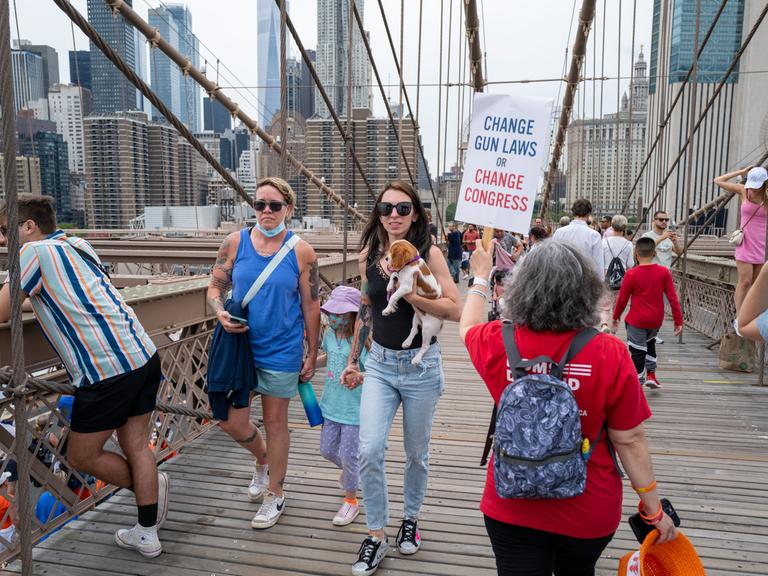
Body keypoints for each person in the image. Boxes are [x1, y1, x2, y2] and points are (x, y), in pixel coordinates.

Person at [459, 239, 677, 576]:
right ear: (588, 292)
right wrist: (653, 510)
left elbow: (467, 327)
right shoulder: (610, 352)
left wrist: (481, 276)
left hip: (510, 507)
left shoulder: (496, 340)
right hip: (587, 508)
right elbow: (630, 440)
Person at [0, 196, 168, 558]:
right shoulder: (77, 244)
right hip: (142, 354)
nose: (2, 241)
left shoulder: (32, 254)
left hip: (105, 370)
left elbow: (1, 310)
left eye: (4, 231)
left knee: (81, 456)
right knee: (137, 445)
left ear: (28, 227)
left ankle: (150, 491)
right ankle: (147, 528)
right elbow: (66, 295)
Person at [341, 180, 460, 576]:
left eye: (403, 208)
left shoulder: (431, 254)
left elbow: (454, 309)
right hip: (379, 364)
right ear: (378, 214)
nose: (394, 215)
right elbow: (367, 309)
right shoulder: (367, 258)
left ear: (416, 214)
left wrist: (410, 296)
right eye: (386, 208)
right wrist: (352, 360)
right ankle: (376, 535)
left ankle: (411, 517)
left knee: (415, 454)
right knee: (370, 450)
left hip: (420, 367)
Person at [206, 176, 320, 530]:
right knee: (228, 419)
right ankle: (262, 459)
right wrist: (219, 311)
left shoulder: (302, 251)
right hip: (239, 347)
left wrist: (312, 353)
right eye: (260, 204)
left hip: (280, 349)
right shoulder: (234, 242)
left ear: (289, 208)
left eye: (274, 205)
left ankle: (275, 493)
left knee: (275, 423)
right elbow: (215, 286)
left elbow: (312, 305)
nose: (266, 211)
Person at [316, 286, 369, 527]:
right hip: (330, 404)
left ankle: (351, 501)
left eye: (341, 314)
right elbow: (330, 357)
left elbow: (373, 371)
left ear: (352, 316)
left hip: (354, 409)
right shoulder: (328, 335)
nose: (334, 318)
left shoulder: (361, 343)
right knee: (327, 450)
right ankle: (352, 473)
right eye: (332, 313)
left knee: (349, 455)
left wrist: (359, 376)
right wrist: (310, 364)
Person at [612, 238, 683, 389]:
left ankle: (638, 381)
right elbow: (672, 298)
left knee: (637, 350)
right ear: (654, 253)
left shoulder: (631, 274)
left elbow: (622, 299)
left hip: (636, 319)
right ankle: (651, 374)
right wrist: (678, 321)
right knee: (650, 343)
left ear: (636, 253)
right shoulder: (664, 272)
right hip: (655, 320)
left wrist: (616, 317)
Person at [713, 166, 768, 315]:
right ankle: (739, 316)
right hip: (744, 243)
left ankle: (750, 313)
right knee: (745, 282)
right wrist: (741, 171)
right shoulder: (744, 190)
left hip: (761, 245)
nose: (754, 188)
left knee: (755, 284)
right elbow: (718, 180)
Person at [553, 199, 604, 273]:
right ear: (589, 213)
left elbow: (553, 259)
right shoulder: (594, 235)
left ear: (573, 212)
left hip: (562, 277)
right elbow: (598, 266)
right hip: (586, 279)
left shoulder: (559, 232)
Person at [737, 264, 768, 343]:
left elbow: (744, 326)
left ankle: (739, 318)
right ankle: (738, 315)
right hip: (748, 252)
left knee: (754, 281)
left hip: (759, 252)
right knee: (746, 282)